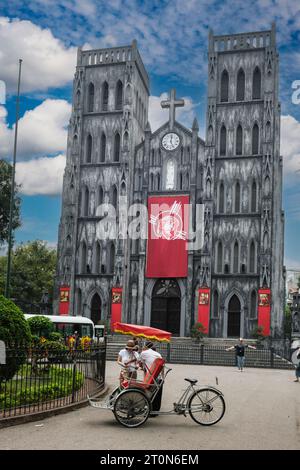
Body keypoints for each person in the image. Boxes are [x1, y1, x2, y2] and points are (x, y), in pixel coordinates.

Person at [139, 341, 164, 415]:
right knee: (157, 395)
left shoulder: (144, 353)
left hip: (150, 377)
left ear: (145, 346)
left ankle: (149, 410)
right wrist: (163, 377)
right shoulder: (158, 354)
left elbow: (140, 363)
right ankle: (155, 411)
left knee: (149, 394)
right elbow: (162, 366)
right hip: (158, 377)